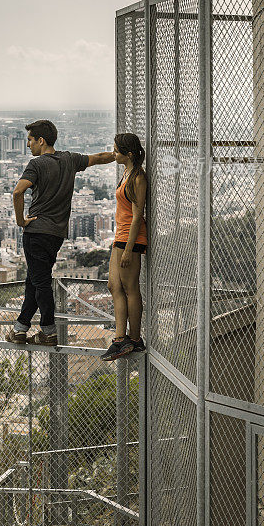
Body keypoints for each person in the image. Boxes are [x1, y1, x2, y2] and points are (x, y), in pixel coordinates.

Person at [6, 119, 115, 346]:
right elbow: (99, 158)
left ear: (41, 140)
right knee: (34, 281)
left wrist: (20, 220)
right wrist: (120, 154)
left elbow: (18, 192)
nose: (28, 145)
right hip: (56, 234)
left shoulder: (36, 165)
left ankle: (48, 330)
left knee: (40, 282)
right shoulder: (70, 159)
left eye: (30, 140)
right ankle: (20, 328)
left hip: (35, 232)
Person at [101, 133, 147, 361]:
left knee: (130, 288)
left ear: (128, 154)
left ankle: (135, 339)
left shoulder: (138, 178)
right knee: (113, 285)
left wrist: (129, 249)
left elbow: (138, 216)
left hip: (131, 238)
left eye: (117, 151)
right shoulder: (127, 174)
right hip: (120, 235)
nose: (114, 153)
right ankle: (120, 339)